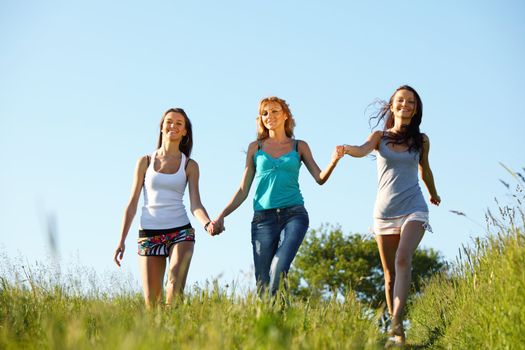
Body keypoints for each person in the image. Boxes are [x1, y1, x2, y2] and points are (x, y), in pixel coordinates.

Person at [212, 96, 344, 296]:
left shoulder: (299, 146)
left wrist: (333, 161)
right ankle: (277, 322)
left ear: (285, 115)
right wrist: (222, 214)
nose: (269, 116)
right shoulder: (255, 148)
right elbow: (243, 189)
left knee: (278, 269)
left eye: (274, 111)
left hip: (294, 215)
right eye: (265, 113)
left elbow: (319, 178)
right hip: (263, 220)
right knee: (264, 286)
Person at [340, 85, 440, 345]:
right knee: (389, 275)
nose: (405, 105)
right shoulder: (379, 137)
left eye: (410, 102)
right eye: (400, 100)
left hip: (414, 207)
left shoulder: (421, 140)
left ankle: (396, 320)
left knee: (403, 258)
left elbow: (424, 170)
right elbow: (362, 150)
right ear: (392, 105)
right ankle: (399, 335)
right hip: (384, 213)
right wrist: (348, 149)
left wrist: (433, 192)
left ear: (416, 109)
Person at [114, 108, 220, 307]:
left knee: (174, 286)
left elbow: (195, 203)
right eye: (169, 122)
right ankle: (157, 338)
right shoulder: (145, 161)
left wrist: (207, 224)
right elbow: (132, 203)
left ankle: (176, 335)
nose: (173, 126)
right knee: (152, 303)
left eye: (179, 123)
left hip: (180, 231)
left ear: (185, 132)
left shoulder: (190, 165)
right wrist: (121, 240)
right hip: (149, 233)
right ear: (162, 127)